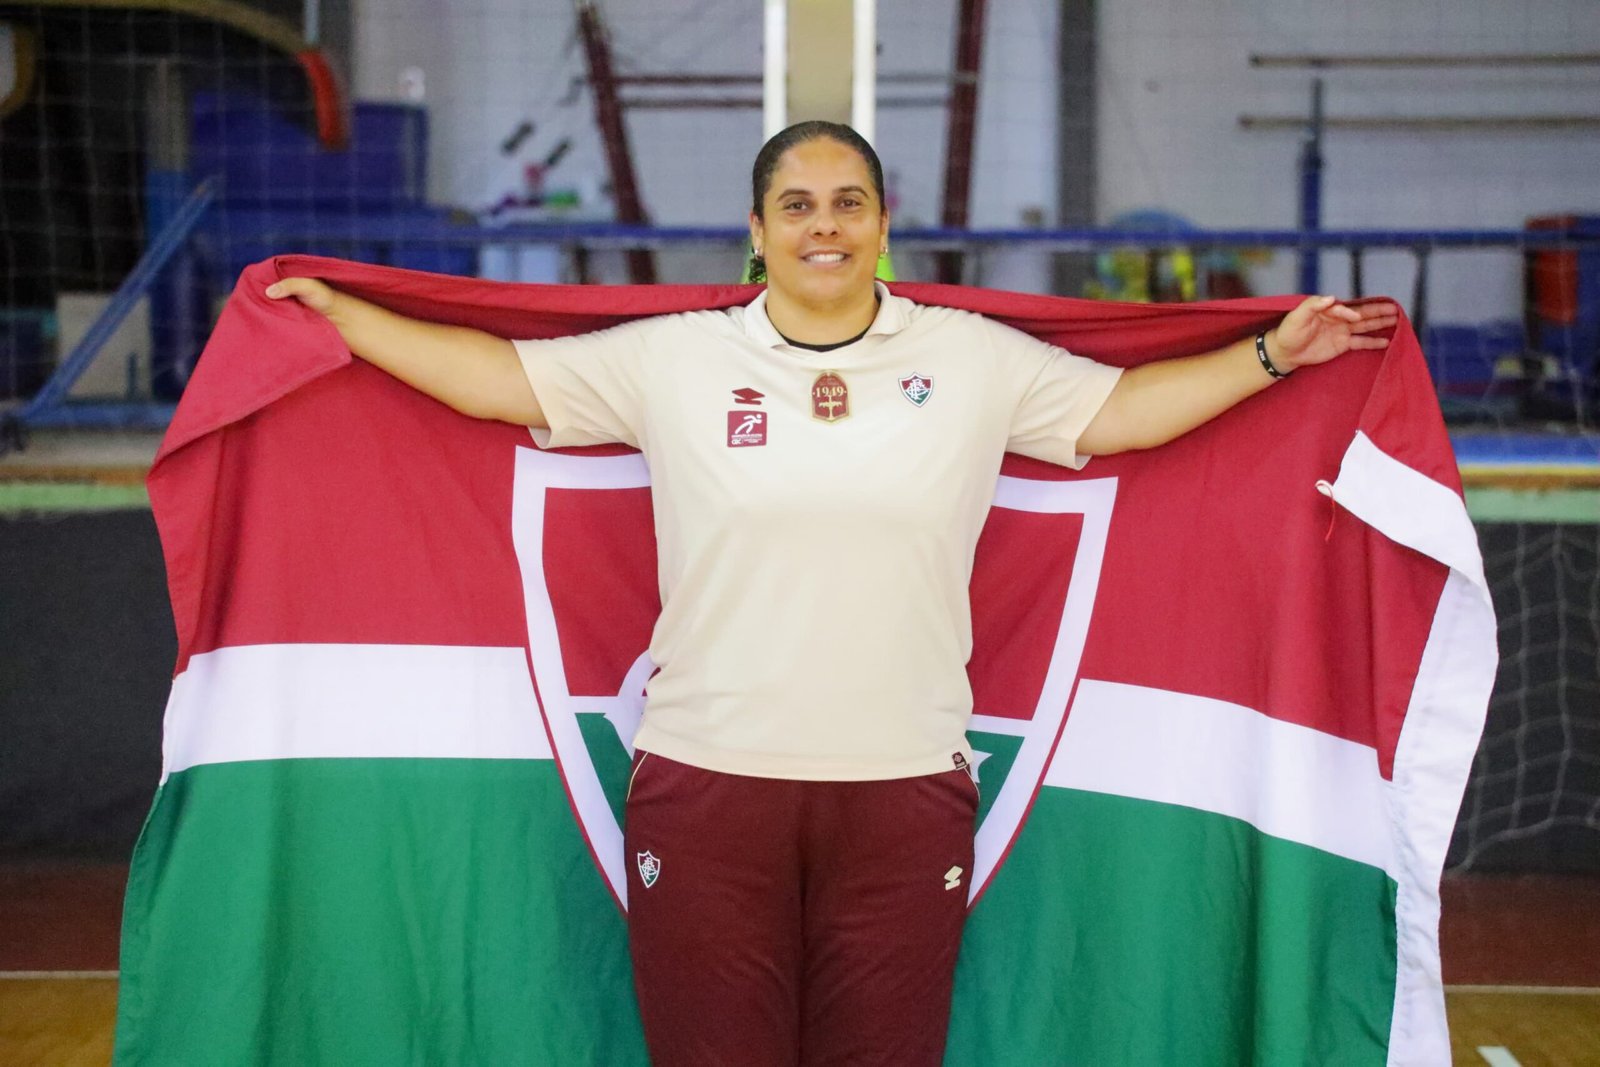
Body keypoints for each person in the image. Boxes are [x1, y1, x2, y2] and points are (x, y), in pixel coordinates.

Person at [266, 120, 1396, 1066]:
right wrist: (342, 320)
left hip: (901, 791)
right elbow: (494, 381)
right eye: (797, 205)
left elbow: (1122, 413)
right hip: (707, 787)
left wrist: (1274, 358)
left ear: (880, 225)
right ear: (756, 233)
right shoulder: (674, 357)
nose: (824, 225)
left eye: (848, 202)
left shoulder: (970, 358)